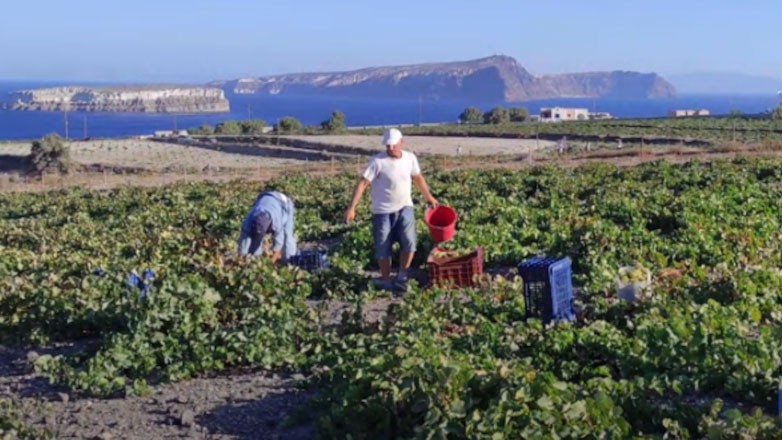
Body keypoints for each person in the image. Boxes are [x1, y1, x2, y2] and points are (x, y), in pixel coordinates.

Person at [344, 128, 438, 292]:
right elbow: (363, 183)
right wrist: (352, 207)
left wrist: (428, 197)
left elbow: (417, 178)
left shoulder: (410, 158)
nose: (390, 148)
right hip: (382, 211)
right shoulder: (377, 161)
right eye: (387, 145)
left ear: (401, 142)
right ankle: (386, 279)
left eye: (393, 145)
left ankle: (402, 275)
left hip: (405, 207)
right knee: (382, 246)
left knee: (409, 243)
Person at [238, 190, 297, 263]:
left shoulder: (277, 223)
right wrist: (241, 261)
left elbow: (278, 246)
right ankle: (256, 259)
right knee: (256, 240)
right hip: (264, 199)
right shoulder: (248, 222)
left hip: (283, 203)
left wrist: (270, 264)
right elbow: (242, 245)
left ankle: (290, 261)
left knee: (287, 236)